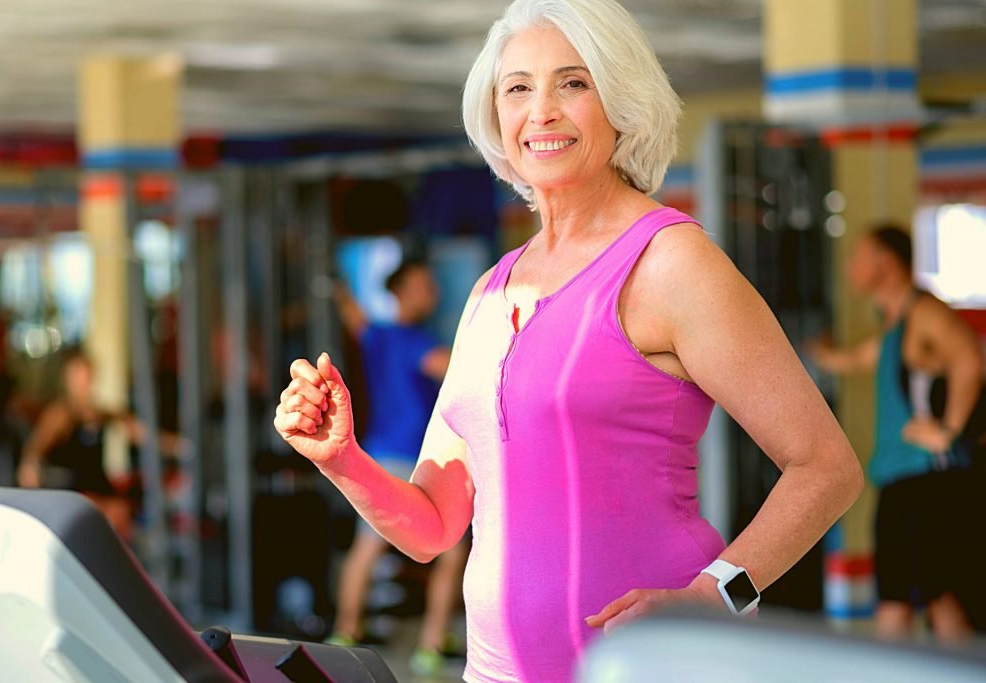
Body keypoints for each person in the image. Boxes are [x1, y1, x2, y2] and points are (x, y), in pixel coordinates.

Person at [275, 1, 863, 680]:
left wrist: (715, 594)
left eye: (573, 83)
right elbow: (433, 524)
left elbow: (826, 466)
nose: (542, 110)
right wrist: (341, 457)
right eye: (518, 87)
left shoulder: (671, 264)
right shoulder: (489, 293)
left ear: (621, 100)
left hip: (651, 666)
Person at [810, 225, 986, 642]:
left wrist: (949, 431)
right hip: (902, 485)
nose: (851, 266)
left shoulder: (926, 313)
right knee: (908, 603)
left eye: (860, 256)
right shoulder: (895, 328)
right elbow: (850, 359)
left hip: (930, 482)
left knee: (935, 606)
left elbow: (969, 362)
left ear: (885, 264)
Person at [327, 261, 469, 676]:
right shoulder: (415, 340)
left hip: (382, 452)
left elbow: (354, 317)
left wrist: (339, 292)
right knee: (450, 550)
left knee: (367, 548)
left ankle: (346, 631)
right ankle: (429, 645)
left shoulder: (376, 335)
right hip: (415, 457)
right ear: (402, 291)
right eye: (425, 285)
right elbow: (460, 373)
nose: (433, 293)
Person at [18, 348, 185, 541]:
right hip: (74, 492)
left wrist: (177, 446)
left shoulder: (99, 413)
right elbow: (37, 446)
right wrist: (30, 464)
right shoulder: (60, 415)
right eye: (78, 378)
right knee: (112, 514)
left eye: (86, 377)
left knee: (122, 514)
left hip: (99, 486)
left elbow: (138, 432)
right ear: (68, 380)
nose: (83, 383)